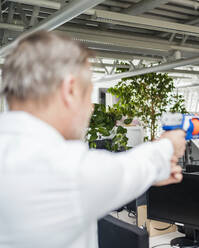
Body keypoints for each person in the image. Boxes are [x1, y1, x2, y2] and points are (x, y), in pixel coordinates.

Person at [0, 31, 186, 248]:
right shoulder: (60, 169)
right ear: (69, 90)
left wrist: (155, 171)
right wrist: (169, 145)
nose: (91, 108)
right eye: (88, 95)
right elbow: (128, 169)